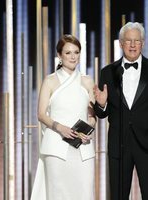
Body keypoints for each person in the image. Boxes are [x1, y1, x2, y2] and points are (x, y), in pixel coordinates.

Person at [94, 22, 148, 200]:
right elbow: (101, 114)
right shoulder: (107, 72)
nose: (132, 45)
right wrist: (101, 104)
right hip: (118, 144)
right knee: (118, 195)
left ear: (143, 43)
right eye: (128, 41)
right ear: (121, 43)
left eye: (136, 41)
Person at [31, 34, 96, 200]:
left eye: (76, 52)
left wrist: (87, 131)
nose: (73, 56)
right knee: (58, 194)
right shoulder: (50, 81)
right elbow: (40, 114)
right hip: (56, 147)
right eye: (68, 53)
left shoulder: (88, 81)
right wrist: (60, 128)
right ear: (59, 55)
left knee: (84, 193)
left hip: (82, 148)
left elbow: (92, 117)